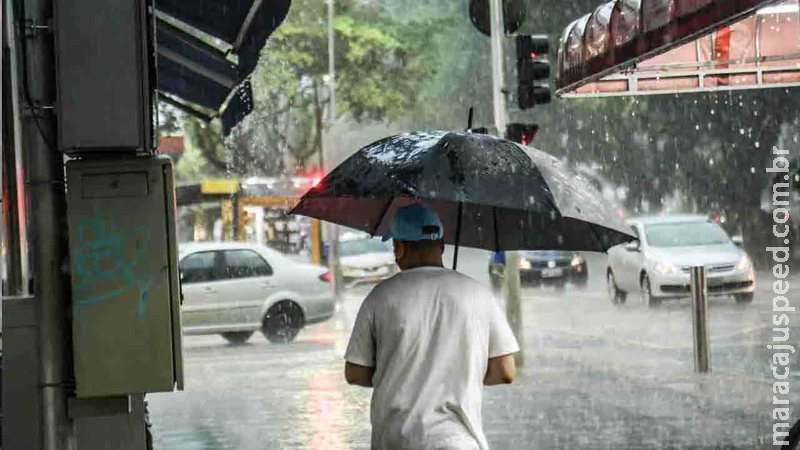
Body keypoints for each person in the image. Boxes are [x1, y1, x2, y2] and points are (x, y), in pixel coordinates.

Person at [344, 203, 520, 450]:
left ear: (399, 247)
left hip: (397, 441)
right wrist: (458, 375)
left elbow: (355, 373)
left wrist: (402, 374)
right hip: (460, 443)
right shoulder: (479, 294)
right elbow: (505, 371)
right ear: (442, 247)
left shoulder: (381, 297)